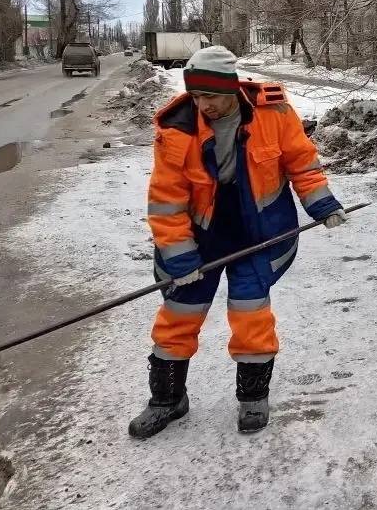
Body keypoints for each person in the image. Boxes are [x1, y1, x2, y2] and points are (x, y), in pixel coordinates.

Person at [129, 46, 347, 439]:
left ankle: (252, 397)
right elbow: (166, 200)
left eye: (210, 95)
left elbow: (301, 162)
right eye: (196, 96)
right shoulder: (178, 129)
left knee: (251, 313)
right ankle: (167, 399)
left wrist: (323, 205)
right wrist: (180, 257)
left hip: (257, 234)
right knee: (179, 314)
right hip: (201, 236)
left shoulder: (274, 112)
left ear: (232, 89)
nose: (203, 104)